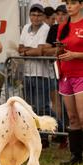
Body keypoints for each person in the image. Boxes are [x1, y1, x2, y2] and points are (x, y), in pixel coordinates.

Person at [18, 3, 52, 148]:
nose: (36, 18)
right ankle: (37, 135)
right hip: (27, 72)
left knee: (42, 107)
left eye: (39, 15)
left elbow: (40, 51)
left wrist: (27, 51)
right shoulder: (26, 27)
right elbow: (20, 48)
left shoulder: (46, 29)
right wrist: (29, 50)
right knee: (31, 108)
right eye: (33, 14)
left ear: (43, 16)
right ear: (30, 15)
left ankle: (45, 137)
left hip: (41, 74)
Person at [57, 0, 83, 165]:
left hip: (81, 74)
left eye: (73, 3)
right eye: (67, 3)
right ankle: (76, 156)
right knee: (72, 118)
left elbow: (73, 52)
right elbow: (60, 49)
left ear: (81, 4)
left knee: (82, 116)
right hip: (66, 76)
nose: (69, 6)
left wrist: (75, 55)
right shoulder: (62, 26)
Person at [42, 4, 69, 149]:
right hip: (59, 71)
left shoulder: (72, 27)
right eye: (57, 14)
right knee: (62, 106)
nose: (60, 16)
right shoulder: (53, 29)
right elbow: (45, 49)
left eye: (63, 13)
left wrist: (57, 50)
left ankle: (68, 135)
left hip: (74, 72)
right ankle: (65, 135)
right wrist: (58, 49)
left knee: (72, 108)